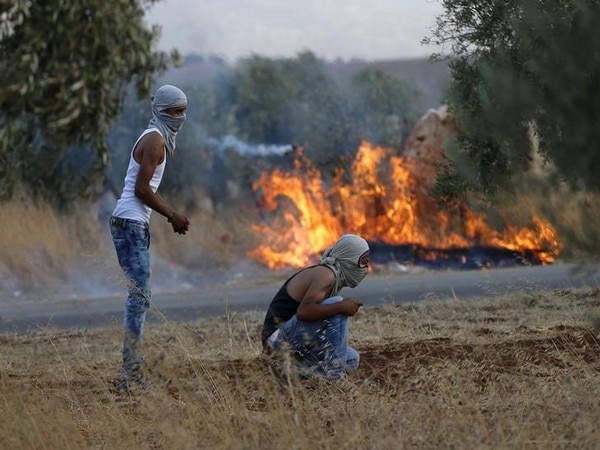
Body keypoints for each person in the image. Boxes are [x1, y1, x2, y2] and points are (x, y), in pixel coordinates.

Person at [109, 85, 190, 392]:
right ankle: (130, 376)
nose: (180, 117)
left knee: (139, 296)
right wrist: (172, 215)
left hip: (129, 221)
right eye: (174, 111)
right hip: (130, 222)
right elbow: (141, 190)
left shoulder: (155, 136)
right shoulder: (155, 140)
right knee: (139, 298)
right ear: (161, 111)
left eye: (183, 111)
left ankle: (131, 371)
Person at [261, 234, 370, 381]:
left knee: (351, 359)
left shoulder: (334, 277)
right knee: (336, 304)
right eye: (363, 262)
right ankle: (333, 378)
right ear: (350, 258)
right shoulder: (326, 274)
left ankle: (290, 374)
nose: (366, 268)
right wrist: (342, 306)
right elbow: (304, 313)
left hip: (296, 345)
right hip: (275, 342)